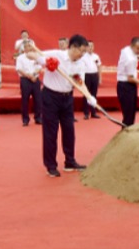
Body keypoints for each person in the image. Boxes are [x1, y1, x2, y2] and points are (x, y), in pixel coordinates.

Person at [27, 34, 93, 178]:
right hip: (51, 97)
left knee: (69, 130)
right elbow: (31, 54)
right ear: (73, 47)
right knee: (51, 132)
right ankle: (51, 165)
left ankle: (70, 161)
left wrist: (89, 97)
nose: (83, 54)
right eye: (81, 50)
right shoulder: (56, 55)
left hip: (67, 98)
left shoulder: (81, 63)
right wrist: (45, 62)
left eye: (84, 52)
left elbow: (79, 82)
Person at [116, 37, 139, 126]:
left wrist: (138, 63)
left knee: (129, 112)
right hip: (127, 86)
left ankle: (128, 132)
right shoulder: (130, 59)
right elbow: (130, 78)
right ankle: (126, 134)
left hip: (122, 85)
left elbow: (136, 57)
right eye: (138, 48)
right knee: (129, 115)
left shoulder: (126, 50)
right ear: (132, 46)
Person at [15, 40, 42, 126]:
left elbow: (39, 68)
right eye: (27, 46)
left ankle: (38, 117)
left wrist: (33, 75)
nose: (29, 48)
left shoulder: (37, 56)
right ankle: (25, 119)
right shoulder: (20, 58)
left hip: (35, 79)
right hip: (25, 80)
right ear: (24, 48)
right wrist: (29, 76)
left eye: (30, 46)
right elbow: (19, 69)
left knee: (38, 100)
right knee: (25, 100)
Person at [82, 41, 102, 120]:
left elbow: (99, 67)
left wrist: (100, 78)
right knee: (86, 94)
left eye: (92, 46)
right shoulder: (83, 56)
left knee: (94, 94)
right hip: (86, 76)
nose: (90, 48)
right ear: (86, 47)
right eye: (89, 46)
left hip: (94, 75)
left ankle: (93, 112)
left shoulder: (96, 56)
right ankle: (86, 113)